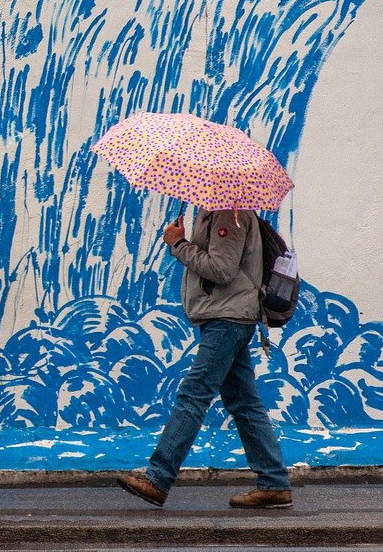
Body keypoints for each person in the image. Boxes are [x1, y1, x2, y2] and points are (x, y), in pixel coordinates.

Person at [118, 209, 293, 510]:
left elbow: (221, 269)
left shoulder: (229, 215)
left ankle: (158, 479)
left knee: (193, 394)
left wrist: (178, 245)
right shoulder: (216, 214)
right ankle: (274, 483)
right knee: (244, 404)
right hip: (227, 318)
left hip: (227, 320)